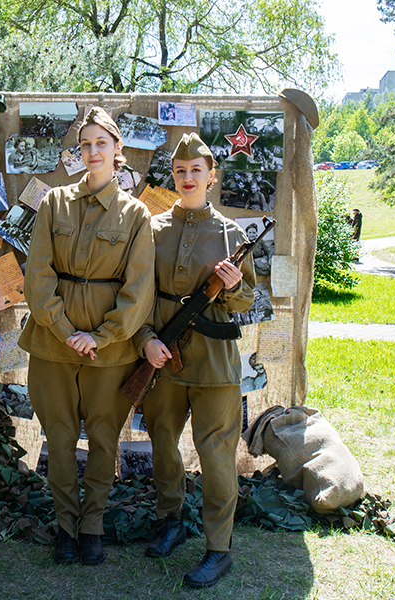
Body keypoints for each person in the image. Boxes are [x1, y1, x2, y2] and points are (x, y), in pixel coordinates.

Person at [18, 107, 155, 567]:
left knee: (102, 437)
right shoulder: (53, 203)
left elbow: (138, 291)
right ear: (77, 151)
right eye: (86, 143)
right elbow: (37, 276)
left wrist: (102, 335)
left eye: (102, 143)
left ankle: (92, 526)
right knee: (58, 439)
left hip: (110, 351)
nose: (93, 151)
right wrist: (64, 330)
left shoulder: (136, 215)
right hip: (52, 345)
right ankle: (64, 526)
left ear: (119, 150)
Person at [133, 133, 255, 589]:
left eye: (196, 171)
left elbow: (247, 302)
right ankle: (171, 522)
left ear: (211, 176)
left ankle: (218, 549)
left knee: (217, 456)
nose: (187, 178)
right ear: (174, 176)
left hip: (215, 366)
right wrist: (145, 339)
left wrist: (234, 284)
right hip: (164, 360)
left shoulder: (233, 234)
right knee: (163, 445)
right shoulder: (151, 229)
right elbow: (138, 295)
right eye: (180, 171)